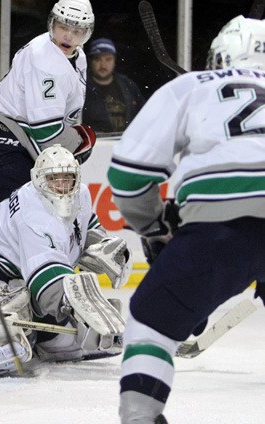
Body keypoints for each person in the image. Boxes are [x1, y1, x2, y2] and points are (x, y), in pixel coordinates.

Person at [107, 15, 265, 424]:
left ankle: (141, 416)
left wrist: (156, 228)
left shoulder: (192, 86)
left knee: (150, 323)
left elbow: (129, 177)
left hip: (224, 231)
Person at [0, 145, 133, 377]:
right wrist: (80, 310)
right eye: (53, 179)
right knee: (2, 322)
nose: (62, 186)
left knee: (61, 343)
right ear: (38, 179)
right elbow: (45, 279)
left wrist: (102, 245)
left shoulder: (81, 194)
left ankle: (23, 330)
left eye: (68, 178)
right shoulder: (34, 213)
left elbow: (87, 225)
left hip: (17, 275)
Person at [0, 0, 97, 211]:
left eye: (77, 31)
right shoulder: (45, 59)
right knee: (19, 230)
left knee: (45, 228)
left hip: (22, 149)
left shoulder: (77, 57)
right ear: (52, 24)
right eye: (63, 27)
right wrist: (79, 141)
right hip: (6, 150)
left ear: (87, 34)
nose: (68, 36)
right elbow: (47, 133)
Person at [83, 37, 145, 133]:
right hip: (96, 144)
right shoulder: (82, 86)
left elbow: (144, 114)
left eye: (108, 59)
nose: (103, 65)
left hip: (126, 142)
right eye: (97, 59)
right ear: (90, 61)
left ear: (114, 61)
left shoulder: (127, 85)